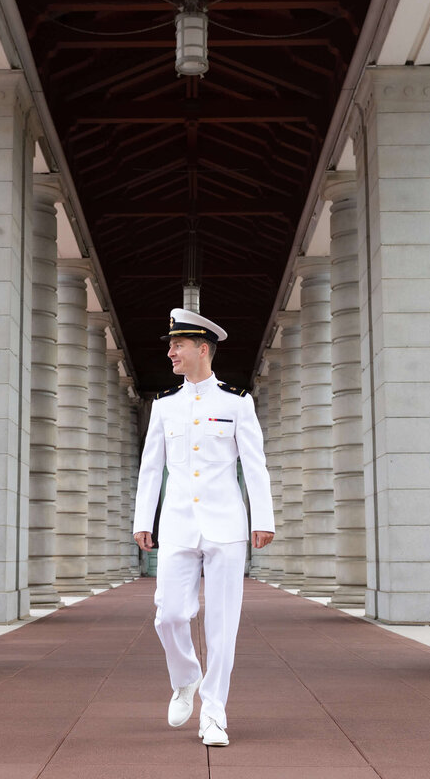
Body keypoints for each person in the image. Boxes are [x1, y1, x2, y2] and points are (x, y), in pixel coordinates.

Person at [132, 308, 275, 747]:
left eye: (178, 345)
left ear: (203, 349)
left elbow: (254, 464)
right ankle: (187, 677)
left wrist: (262, 518)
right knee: (169, 614)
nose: (171, 351)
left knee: (222, 625)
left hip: (227, 526)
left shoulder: (236, 402)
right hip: (177, 524)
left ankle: (214, 714)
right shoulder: (164, 405)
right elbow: (150, 467)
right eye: (171, 346)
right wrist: (143, 519)